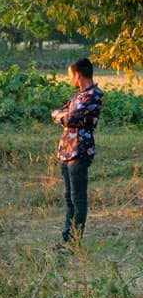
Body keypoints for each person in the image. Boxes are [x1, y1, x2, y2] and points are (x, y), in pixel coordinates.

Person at [51, 57, 103, 247]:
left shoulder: (93, 95)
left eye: (70, 75)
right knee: (69, 198)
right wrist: (62, 115)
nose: (69, 79)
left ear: (78, 75)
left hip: (79, 151)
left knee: (78, 197)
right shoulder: (78, 96)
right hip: (67, 151)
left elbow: (69, 118)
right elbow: (57, 112)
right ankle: (66, 238)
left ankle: (74, 243)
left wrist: (62, 116)